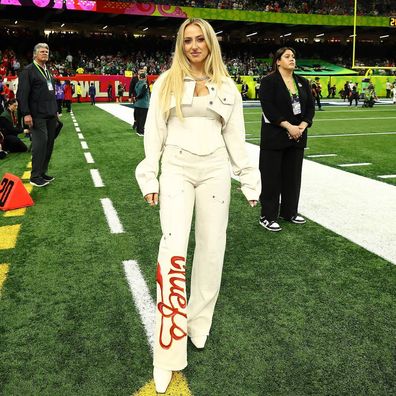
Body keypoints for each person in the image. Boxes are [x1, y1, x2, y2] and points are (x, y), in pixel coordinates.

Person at [135, 18, 260, 393]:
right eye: (187, 40)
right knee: (172, 251)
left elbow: (236, 136)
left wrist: (249, 180)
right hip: (175, 167)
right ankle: (167, 352)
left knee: (211, 248)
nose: (193, 46)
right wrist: (149, 176)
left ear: (210, 43)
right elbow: (154, 131)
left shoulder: (226, 85)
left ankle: (198, 322)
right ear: (180, 44)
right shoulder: (165, 82)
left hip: (216, 170)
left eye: (199, 39)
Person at [258, 47, 315, 232]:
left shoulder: (302, 82)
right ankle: (267, 216)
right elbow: (269, 108)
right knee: (271, 177)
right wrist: (288, 126)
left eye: (293, 56)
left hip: (297, 137)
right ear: (278, 61)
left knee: (292, 177)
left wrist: (302, 126)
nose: (292, 59)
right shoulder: (269, 81)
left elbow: (310, 108)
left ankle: (289, 212)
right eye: (287, 56)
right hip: (275, 137)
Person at [17, 43, 58, 187]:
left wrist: (55, 111)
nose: (45, 53)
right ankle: (34, 176)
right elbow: (22, 95)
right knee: (40, 146)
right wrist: (26, 114)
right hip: (37, 115)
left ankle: (42, 172)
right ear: (35, 54)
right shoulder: (28, 71)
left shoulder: (48, 71)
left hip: (50, 114)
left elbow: (50, 93)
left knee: (49, 145)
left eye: (47, 51)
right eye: (42, 51)